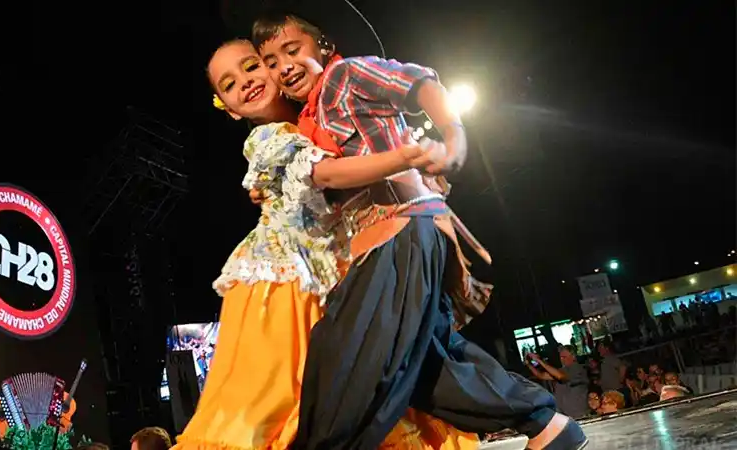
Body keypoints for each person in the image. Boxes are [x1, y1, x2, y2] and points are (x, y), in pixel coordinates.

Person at [250, 12, 587, 450]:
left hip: (401, 228)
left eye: (292, 51)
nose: (284, 67)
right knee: (426, 361)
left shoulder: (346, 75)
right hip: (382, 239)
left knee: (344, 350)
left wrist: (454, 139)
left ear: (323, 46)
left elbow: (421, 82)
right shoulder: (307, 122)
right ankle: (547, 425)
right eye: (272, 61)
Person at [174, 38, 480, 450]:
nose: (245, 83)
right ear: (228, 108)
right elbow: (330, 174)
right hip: (284, 287)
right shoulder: (268, 139)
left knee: (369, 381)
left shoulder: (317, 117)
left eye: (251, 66)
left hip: (338, 271)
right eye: (229, 85)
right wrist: (405, 157)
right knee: (286, 405)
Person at [525, 347, 589, 419]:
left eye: (564, 357)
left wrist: (539, 360)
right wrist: (528, 364)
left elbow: (560, 376)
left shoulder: (577, 368)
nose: (562, 359)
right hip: (564, 414)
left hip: (577, 413)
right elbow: (541, 375)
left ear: (573, 356)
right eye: (561, 357)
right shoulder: (562, 370)